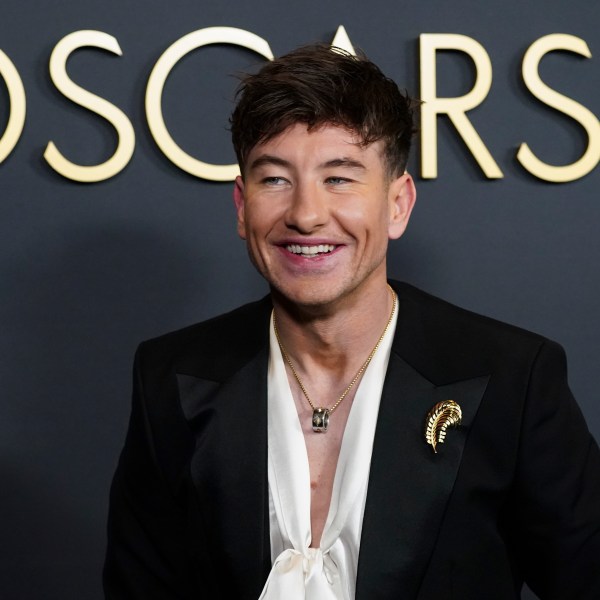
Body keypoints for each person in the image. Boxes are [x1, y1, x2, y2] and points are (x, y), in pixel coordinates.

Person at [103, 44, 600, 600]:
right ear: (241, 207)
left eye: (339, 178)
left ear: (397, 205)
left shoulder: (513, 376)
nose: (306, 214)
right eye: (274, 180)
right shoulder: (170, 375)